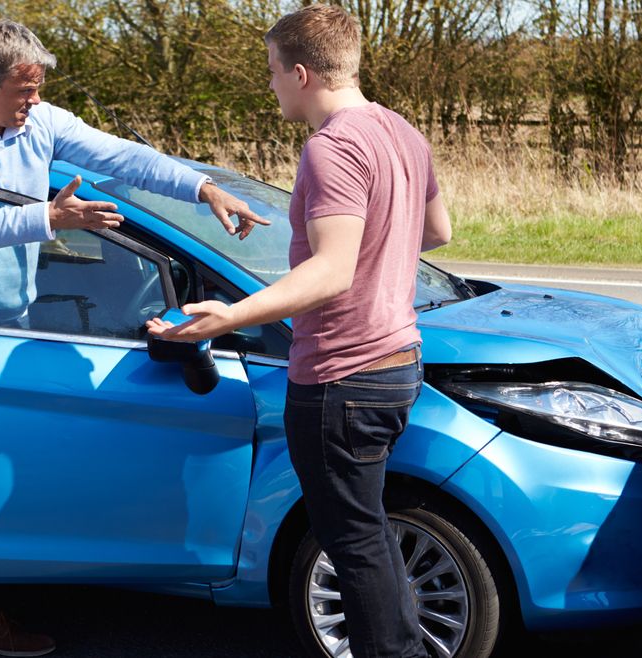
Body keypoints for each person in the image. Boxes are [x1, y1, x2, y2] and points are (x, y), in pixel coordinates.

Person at [0, 18, 267, 658]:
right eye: (25, 90)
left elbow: (123, 156)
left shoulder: (41, 122)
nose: (35, 101)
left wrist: (204, 189)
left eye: (38, 89)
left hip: (10, 327)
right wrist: (51, 217)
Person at [146, 5, 451, 657]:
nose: (270, 84)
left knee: (354, 542)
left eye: (273, 70)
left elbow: (332, 271)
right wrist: (373, 246)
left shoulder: (330, 148)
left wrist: (230, 314)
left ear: (303, 73)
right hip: (398, 362)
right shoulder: (402, 132)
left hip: (342, 376)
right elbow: (435, 231)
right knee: (366, 533)